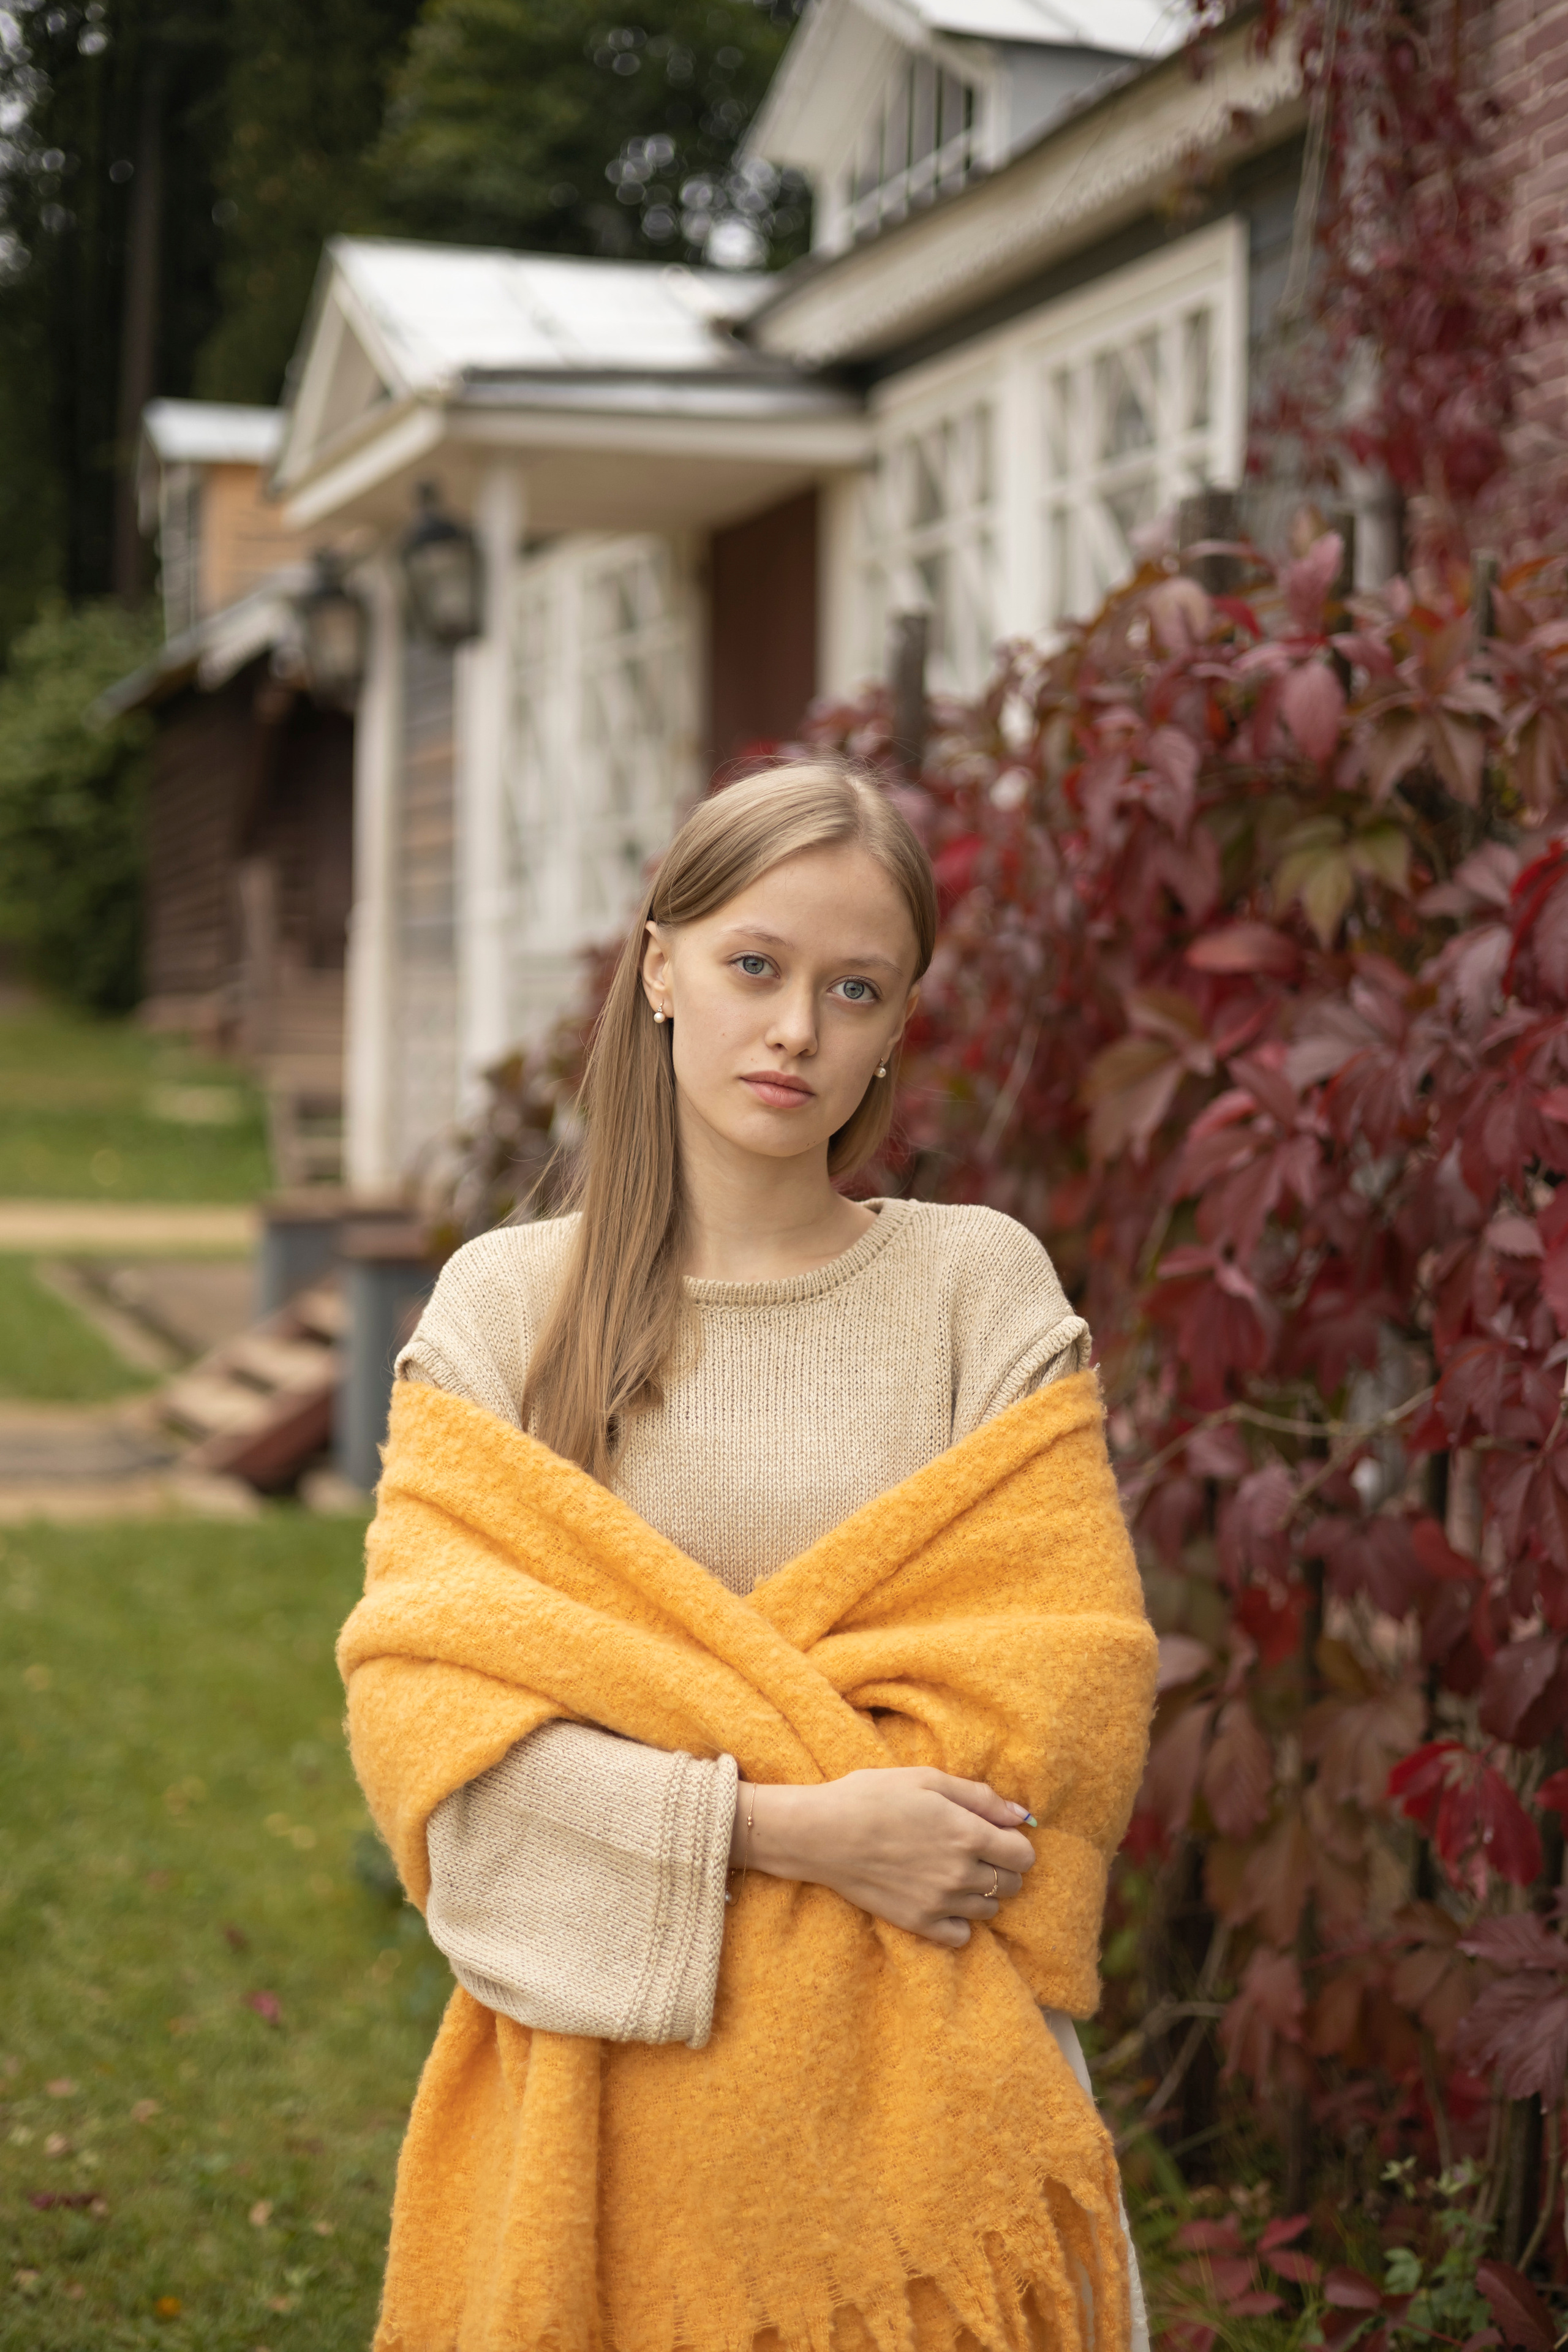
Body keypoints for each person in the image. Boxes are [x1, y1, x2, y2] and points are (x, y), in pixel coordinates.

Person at [343, 760, 1153, 2350]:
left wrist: (680, 1776)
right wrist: (804, 1830)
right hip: (598, 2071)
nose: (797, 1030)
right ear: (660, 968)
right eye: (755, 968)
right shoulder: (511, 1311)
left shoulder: (974, 1289)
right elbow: (436, 1720)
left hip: (934, 2087)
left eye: (855, 989)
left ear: (900, 1023)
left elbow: (1064, 1685)